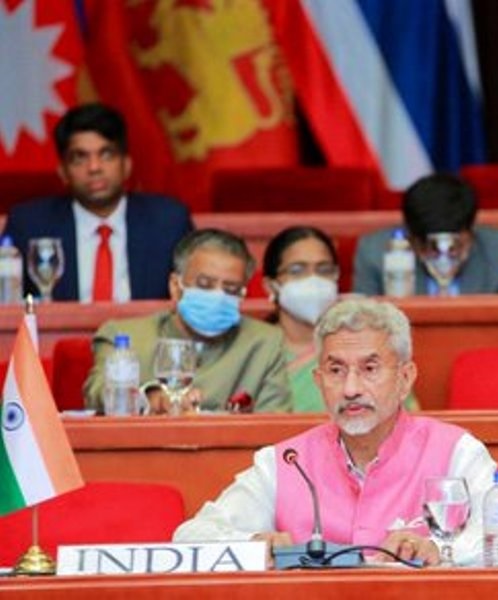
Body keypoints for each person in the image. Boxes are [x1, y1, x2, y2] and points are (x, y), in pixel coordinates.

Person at [173, 298, 498, 567]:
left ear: (405, 378)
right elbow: (190, 537)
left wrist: (441, 551)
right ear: (318, 380)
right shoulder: (286, 462)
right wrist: (251, 545)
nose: (351, 388)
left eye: (370, 369)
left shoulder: (454, 451)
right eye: (336, 371)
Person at [84, 228, 292, 414]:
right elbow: (97, 393)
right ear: (176, 286)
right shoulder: (125, 336)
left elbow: (275, 421)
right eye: (204, 285)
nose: (218, 296)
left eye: (231, 289)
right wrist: (147, 398)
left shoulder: (264, 342)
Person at [2, 102, 193, 302]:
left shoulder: (169, 222)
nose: (94, 167)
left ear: (127, 164)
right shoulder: (28, 225)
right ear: (63, 171)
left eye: (106, 154)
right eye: (80, 157)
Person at [262, 226, 419, 412]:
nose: (313, 279)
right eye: (297, 270)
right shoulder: (257, 350)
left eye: (324, 269)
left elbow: (405, 417)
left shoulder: (366, 342)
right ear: (270, 285)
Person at [352, 173, 498, 296]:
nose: (442, 258)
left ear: (470, 231)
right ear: (410, 236)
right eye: (430, 247)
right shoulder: (374, 253)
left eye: (454, 246)